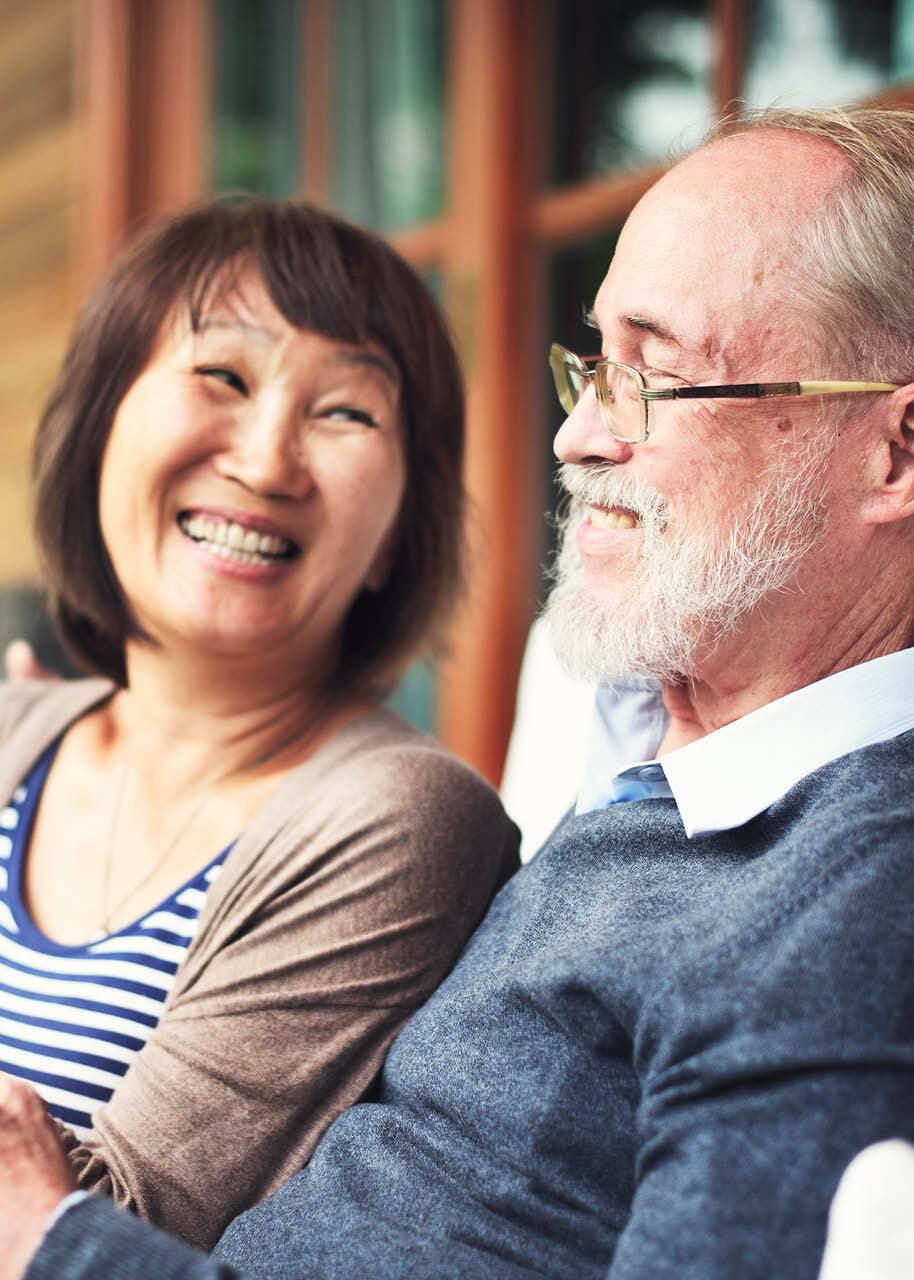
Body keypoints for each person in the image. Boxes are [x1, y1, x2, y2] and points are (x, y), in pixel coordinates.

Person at [4, 102, 914, 1280]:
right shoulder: (648, 740)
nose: (575, 437)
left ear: (891, 456)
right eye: (593, 365)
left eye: (658, 375)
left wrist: (50, 1238)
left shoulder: (845, 903)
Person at [0, 201, 519, 1251]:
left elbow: (97, 1234)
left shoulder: (398, 818)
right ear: (100, 430)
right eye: (224, 376)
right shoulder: (18, 726)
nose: (267, 459)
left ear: (391, 540)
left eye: (345, 414)